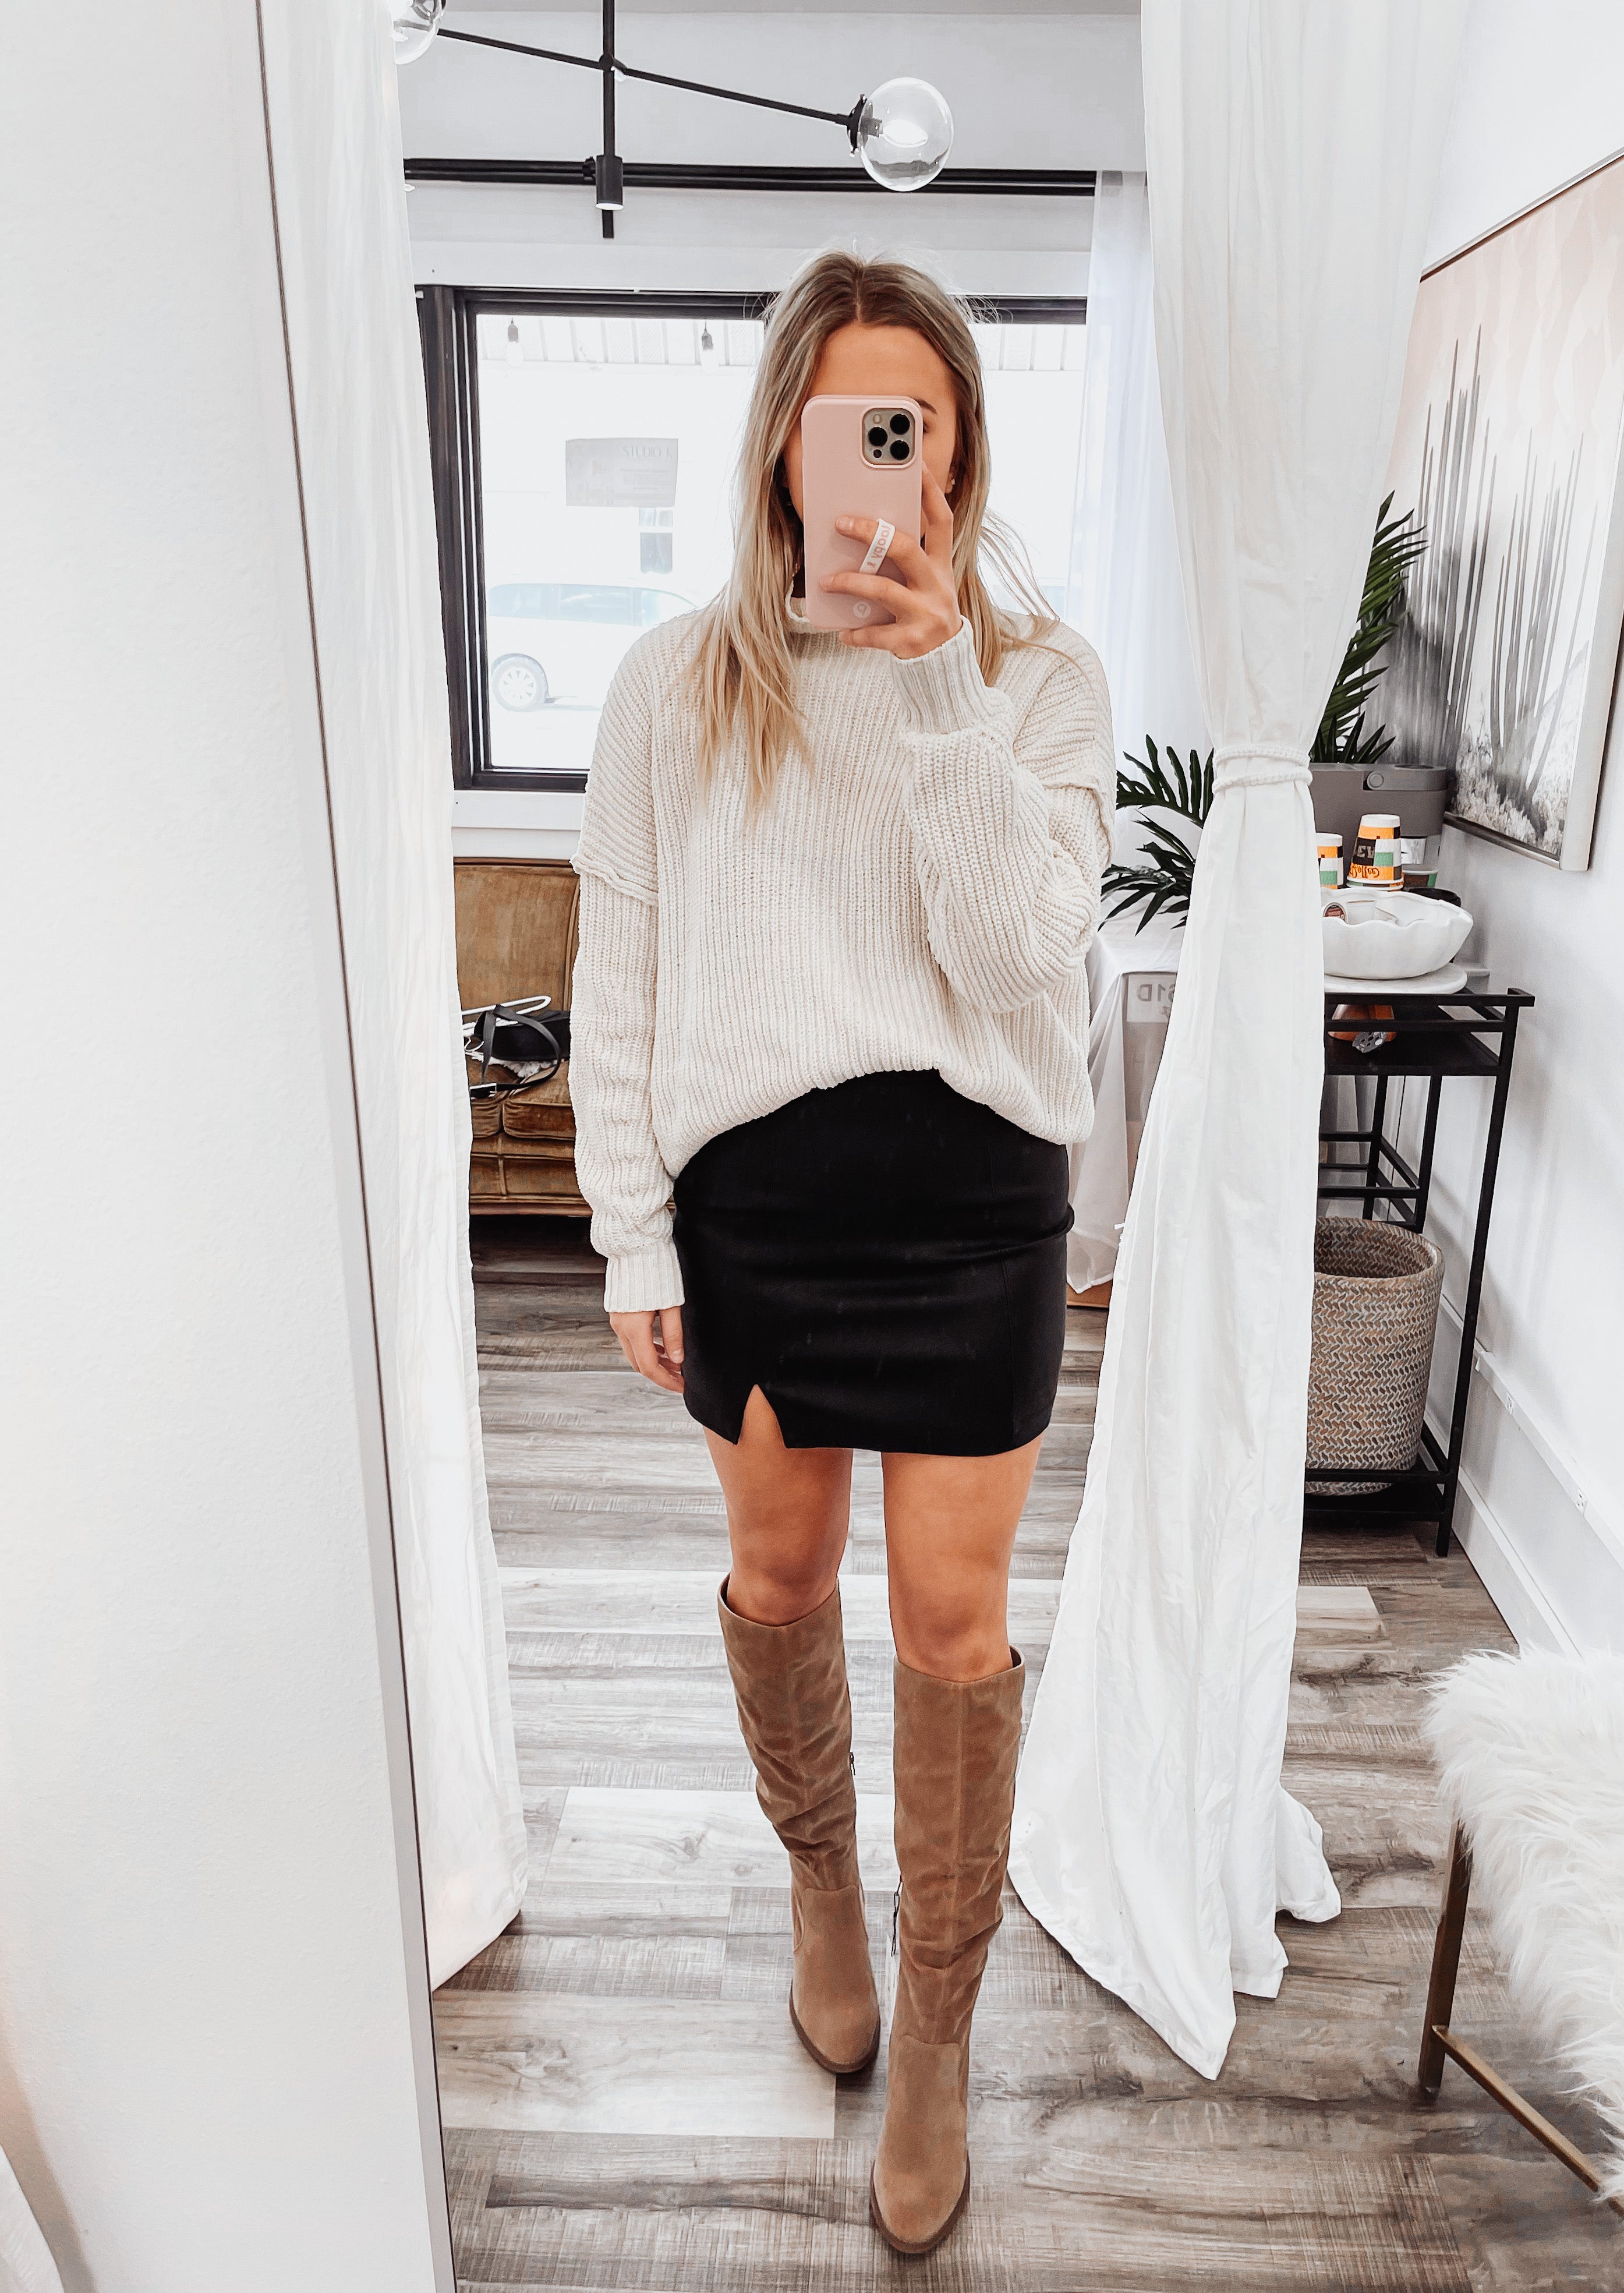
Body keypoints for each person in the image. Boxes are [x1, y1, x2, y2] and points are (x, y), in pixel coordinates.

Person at [568, 248, 1113, 2256]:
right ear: (783, 447)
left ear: (955, 454)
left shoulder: (1042, 680)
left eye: (916, 428)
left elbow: (1023, 956)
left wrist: (939, 685)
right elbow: (621, 966)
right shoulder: (674, 683)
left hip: (974, 1216)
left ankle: (942, 2023)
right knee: (780, 1580)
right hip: (761, 1218)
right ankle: (822, 1887)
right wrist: (631, 1230)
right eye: (844, 427)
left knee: (955, 1633)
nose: (882, 465)